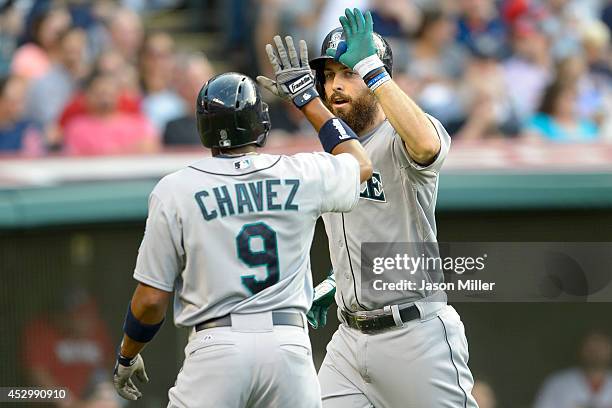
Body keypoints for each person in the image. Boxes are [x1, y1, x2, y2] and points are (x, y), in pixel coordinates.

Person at [111, 60, 374, 406]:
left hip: (217, 346)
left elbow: (150, 301)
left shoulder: (175, 188)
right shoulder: (300, 170)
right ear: (259, 122)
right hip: (289, 347)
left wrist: (128, 354)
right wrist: (308, 99)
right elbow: (361, 164)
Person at [292, 8, 478, 407]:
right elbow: (366, 231)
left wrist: (372, 70)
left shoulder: (401, 135)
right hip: (348, 342)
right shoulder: (335, 153)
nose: (335, 86)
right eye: (328, 76)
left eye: (348, 72)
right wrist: (335, 282)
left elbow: (427, 146)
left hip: (413, 335)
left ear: (376, 77)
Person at [63, 71, 158, 155]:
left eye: (109, 94)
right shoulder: (76, 127)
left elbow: (149, 148)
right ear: (88, 96)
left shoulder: (138, 124)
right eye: (100, 94)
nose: (105, 99)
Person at [534, 331, 612, 408]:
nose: (596, 352)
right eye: (591, 347)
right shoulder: (558, 383)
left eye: (601, 346)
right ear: (581, 348)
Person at [163, 53, 214, 146]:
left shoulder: (228, 120)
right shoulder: (174, 128)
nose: (197, 89)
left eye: (199, 80)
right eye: (190, 82)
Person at [0, 75, 44, 155]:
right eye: (12, 101)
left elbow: (34, 158)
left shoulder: (28, 129)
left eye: (21, 100)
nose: (19, 107)